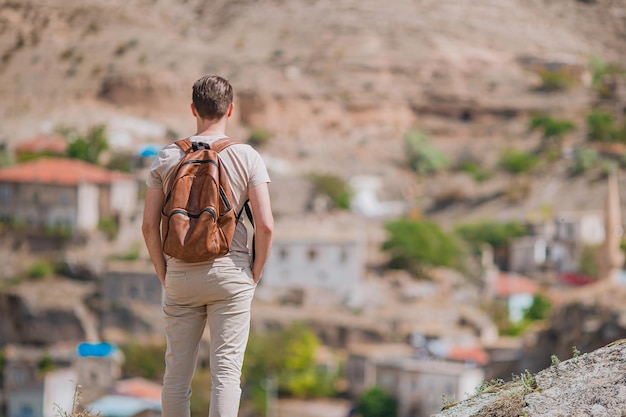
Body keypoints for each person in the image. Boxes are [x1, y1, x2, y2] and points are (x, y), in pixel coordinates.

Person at [141, 74, 274, 417]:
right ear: (230, 109)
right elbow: (266, 226)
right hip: (231, 273)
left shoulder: (167, 156)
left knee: (176, 378)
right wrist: (253, 274)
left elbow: (148, 225)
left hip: (180, 274)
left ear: (192, 109)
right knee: (226, 375)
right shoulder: (247, 156)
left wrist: (164, 272)